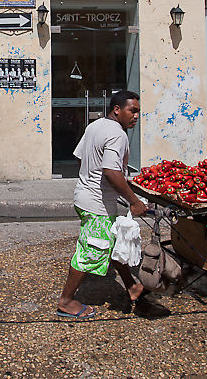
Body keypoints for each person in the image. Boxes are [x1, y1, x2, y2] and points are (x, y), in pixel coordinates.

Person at [57, 90, 147, 320]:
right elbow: (110, 172)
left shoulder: (95, 126)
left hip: (84, 196)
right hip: (96, 203)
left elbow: (81, 157)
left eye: (138, 111)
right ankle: (66, 301)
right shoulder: (118, 135)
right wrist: (134, 201)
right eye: (132, 110)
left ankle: (131, 286)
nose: (136, 116)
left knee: (113, 240)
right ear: (117, 110)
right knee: (91, 251)